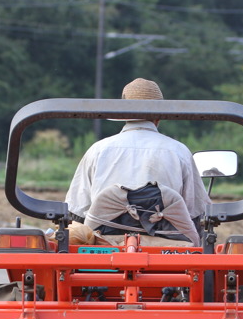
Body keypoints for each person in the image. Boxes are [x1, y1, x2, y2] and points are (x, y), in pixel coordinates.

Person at [65, 78, 211, 245]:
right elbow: (194, 214)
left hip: (104, 249)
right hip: (167, 251)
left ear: (122, 115)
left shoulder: (98, 150)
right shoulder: (178, 151)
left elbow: (77, 212)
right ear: (159, 117)